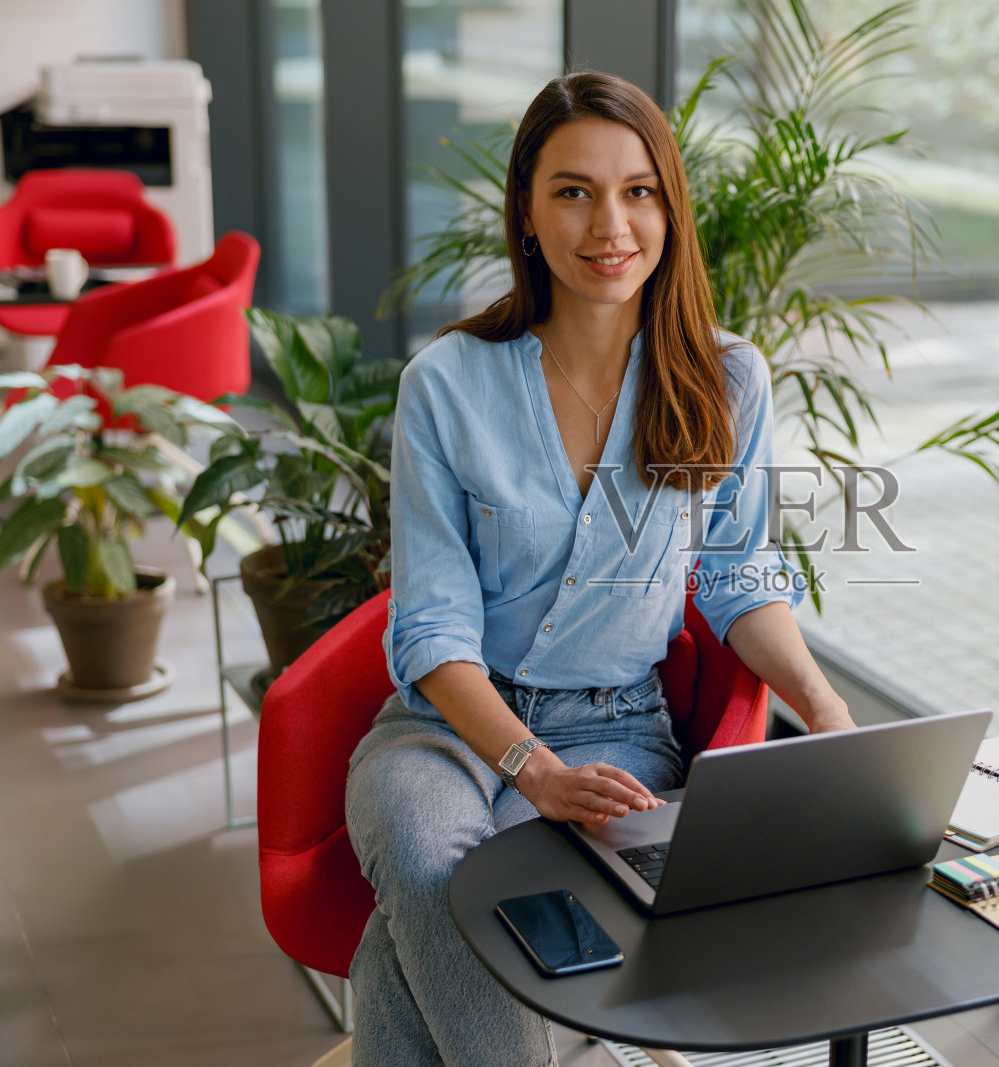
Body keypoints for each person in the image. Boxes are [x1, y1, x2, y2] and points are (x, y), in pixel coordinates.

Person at [343, 71, 855, 1066]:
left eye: (638, 191)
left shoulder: (727, 379)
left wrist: (826, 709)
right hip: (445, 726)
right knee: (428, 858)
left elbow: (738, 576)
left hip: (619, 731)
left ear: (668, 207)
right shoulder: (446, 383)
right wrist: (531, 768)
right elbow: (431, 628)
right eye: (573, 191)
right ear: (526, 213)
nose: (610, 225)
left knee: (431, 927)